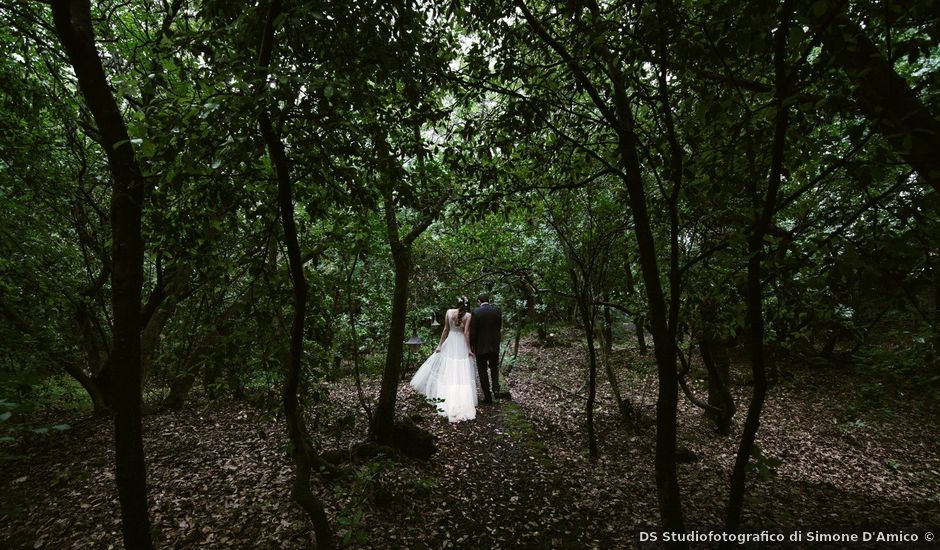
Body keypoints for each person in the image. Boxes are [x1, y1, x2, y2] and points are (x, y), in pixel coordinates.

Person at [409, 296, 478, 422]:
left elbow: (445, 330)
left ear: (456, 303)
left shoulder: (449, 312)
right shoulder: (468, 315)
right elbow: (466, 333)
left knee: (450, 370)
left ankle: (447, 399)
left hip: (450, 342)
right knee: (461, 371)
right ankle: (460, 400)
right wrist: (469, 349)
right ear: (467, 305)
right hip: (461, 344)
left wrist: (440, 345)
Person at [470, 293, 502, 403]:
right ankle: (496, 389)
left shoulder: (476, 312)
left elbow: (473, 332)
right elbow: (498, 328)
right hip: (494, 345)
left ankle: (487, 396)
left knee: (482, 370)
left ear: (479, 301)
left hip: (481, 347)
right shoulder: (497, 311)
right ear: (488, 300)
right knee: (494, 367)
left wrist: (472, 346)